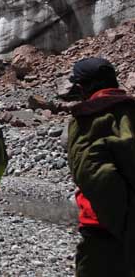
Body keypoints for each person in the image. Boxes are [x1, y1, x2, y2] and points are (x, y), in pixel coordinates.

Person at [66, 57, 135, 277]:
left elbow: (95, 175)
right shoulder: (130, 109)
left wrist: (125, 227)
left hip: (102, 226)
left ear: (82, 87)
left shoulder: (88, 118)